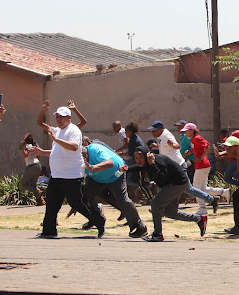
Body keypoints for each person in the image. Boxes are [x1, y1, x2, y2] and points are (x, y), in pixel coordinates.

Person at [34, 100, 105, 239]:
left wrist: (55, 139)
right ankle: (49, 231)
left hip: (71, 175)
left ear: (69, 118)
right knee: (52, 203)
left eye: (61, 116)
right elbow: (40, 124)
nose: (58, 119)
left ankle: (98, 221)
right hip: (57, 175)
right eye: (57, 117)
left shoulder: (74, 130)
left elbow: (73, 147)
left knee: (76, 203)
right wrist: (42, 110)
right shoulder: (58, 130)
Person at [123, 146, 207, 242]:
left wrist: (153, 164)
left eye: (141, 157)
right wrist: (126, 169)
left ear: (146, 156)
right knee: (170, 212)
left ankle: (157, 234)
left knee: (155, 204)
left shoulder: (157, 161)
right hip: (171, 184)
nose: (138, 160)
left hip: (177, 183)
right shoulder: (147, 163)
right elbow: (138, 167)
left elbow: (162, 178)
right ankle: (199, 219)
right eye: (136, 158)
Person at [149, 120, 219, 213]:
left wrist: (173, 145)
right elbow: (165, 147)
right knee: (162, 185)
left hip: (178, 166)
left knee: (187, 189)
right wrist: (157, 146)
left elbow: (177, 146)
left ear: (160, 129)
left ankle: (211, 199)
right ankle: (159, 208)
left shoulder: (166, 135)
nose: (152, 132)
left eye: (154, 130)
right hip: (170, 167)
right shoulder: (161, 136)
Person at [81, 143, 148, 238]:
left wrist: (93, 167)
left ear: (85, 155)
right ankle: (96, 219)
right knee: (85, 197)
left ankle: (140, 227)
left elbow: (110, 163)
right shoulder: (74, 159)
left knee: (122, 199)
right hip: (97, 178)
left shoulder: (95, 150)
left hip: (116, 174)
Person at [183, 123, 230, 215]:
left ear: (192, 130)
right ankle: (223, 192)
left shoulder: (197, 138)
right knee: (203, 188)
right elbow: (199, 148)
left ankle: (202, 208)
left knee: (195, 188)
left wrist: (201, 158)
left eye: (186, 130)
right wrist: (191, 152)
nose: (185, 132)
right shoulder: (192, 139)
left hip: (202, 165)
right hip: (202, 166)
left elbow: (207, 147)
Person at [20, 133, 44, 206]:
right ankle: (40, 201)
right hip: (38, 165)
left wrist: (21, 147)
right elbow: (39, 156)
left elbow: (25, 155)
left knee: (24, 184)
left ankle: (37, 191)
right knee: (33, 185)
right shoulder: (36, 145)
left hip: (30, 166)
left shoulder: (27, 146)